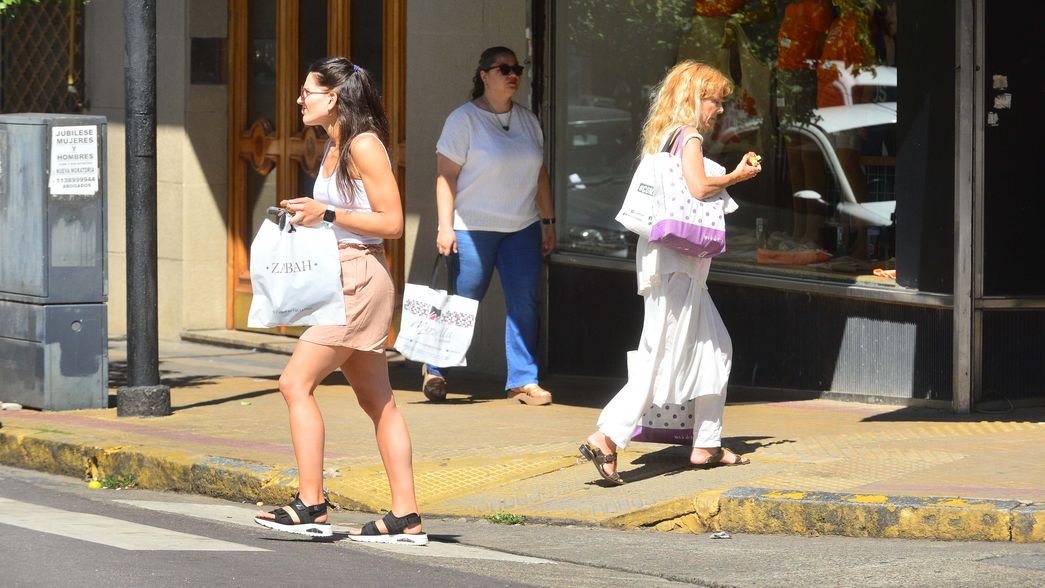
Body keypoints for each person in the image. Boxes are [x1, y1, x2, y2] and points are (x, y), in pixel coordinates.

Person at [254, 57, 426, 545]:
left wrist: (325, 211)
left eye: (307, 91)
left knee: (294, 382)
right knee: (379, 401)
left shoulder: (364, 145)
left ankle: (311, 503)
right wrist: (312, 216)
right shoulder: (334, 146)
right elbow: (345, 216)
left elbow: (392, 223)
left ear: (333, 97)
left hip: (359, 278)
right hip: (343, 276)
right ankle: (405, 516)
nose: (299, 99)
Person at [579, 61, 761, 485]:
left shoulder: (668, 137)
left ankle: (707, 443)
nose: (719, 109)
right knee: (662, 357)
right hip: (679, 266)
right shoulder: (690, 136)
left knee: (715, 347)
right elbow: (699, 188)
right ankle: (607, 437)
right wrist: (739, 175)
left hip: (673, 263)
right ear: (695, 97)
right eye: (715, 99)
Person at [420, 46, 556, 405]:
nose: (513, 74)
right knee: (463, 302)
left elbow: (540, 174)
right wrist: (444, 227)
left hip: (521, 226)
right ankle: (436, 368)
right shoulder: (463, 120)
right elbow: (445, 176)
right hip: (471, 227)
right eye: (503, 68)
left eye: (518, 69)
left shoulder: (527, 120)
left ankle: (522, 380)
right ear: (484, 75)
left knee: (525, 303)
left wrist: (549, 220)